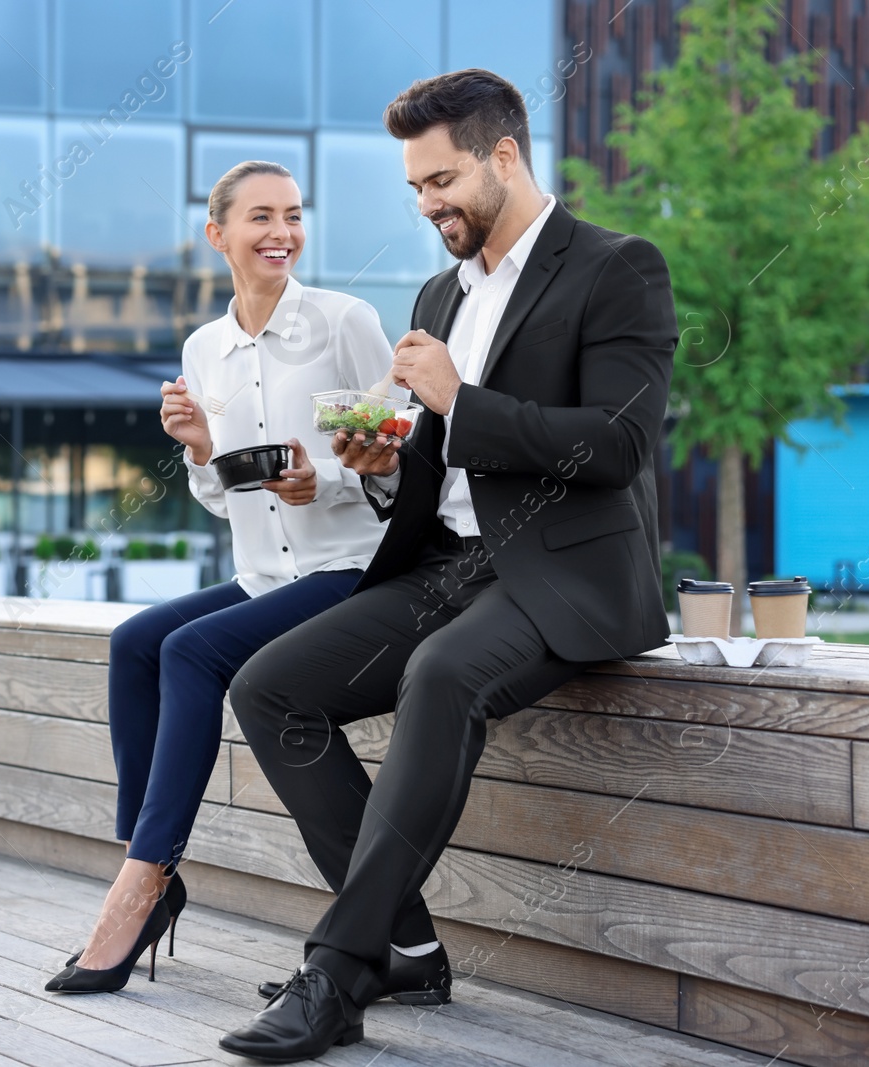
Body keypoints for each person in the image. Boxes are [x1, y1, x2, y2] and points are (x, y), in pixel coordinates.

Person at [218, 69, 677, 1061]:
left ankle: (338, 973)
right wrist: (386, 460)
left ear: (502, 156)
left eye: (441, 181)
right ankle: (406, 942)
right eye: (415, 188)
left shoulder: (616, 268)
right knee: (268, 689)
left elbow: (617, 445)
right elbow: (432, 460)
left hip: (562, 574)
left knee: (442, 673)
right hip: (449, 563)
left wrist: (461, 404)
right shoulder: (439, 292)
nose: (428, 205)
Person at [44, 161, 402, 993]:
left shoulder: (344, 322)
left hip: (349, 568)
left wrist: (331, 478)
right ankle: (155, 875)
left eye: (293, 215)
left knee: (191, 653)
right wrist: (202, 448)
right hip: (263, 576)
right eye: (261, 217)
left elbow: (397, 457)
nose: (282, 231)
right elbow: (220, 494)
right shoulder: (206, 347)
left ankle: (140, 883)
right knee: (136, 641)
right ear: (218, 236)